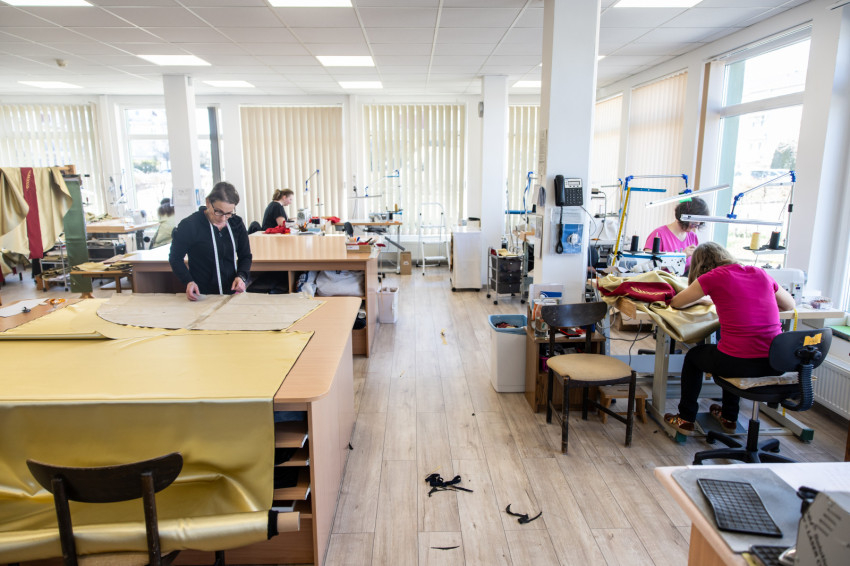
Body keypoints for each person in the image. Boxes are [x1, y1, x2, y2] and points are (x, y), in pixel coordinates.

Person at [663, 242, 795, 435]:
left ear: (700, 265)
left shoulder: (712, 277)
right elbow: (789, 305)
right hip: (774, 362)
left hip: (738, 364)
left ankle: (685, 419)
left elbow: (676, 302)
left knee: (695, 356)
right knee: (729, 347)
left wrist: (702, 299)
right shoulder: (759, 273)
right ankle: (729, 417)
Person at [169, 182, 252, 301]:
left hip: (232, 294)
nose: (223, 218)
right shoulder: (190, 225)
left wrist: (241, 276)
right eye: (218, 211)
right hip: (203, 295)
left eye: (228, 213)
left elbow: (245, 256)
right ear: (208, 202)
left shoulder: (236, 223)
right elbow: (175, 258)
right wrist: (188, 281)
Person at [644, 197, 710, 269]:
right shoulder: (658, 234)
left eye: (698, 224)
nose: (695, 227)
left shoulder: (693, 237)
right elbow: (648, 265)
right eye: (694, 223)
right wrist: (681, 256)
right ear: (684, 216)